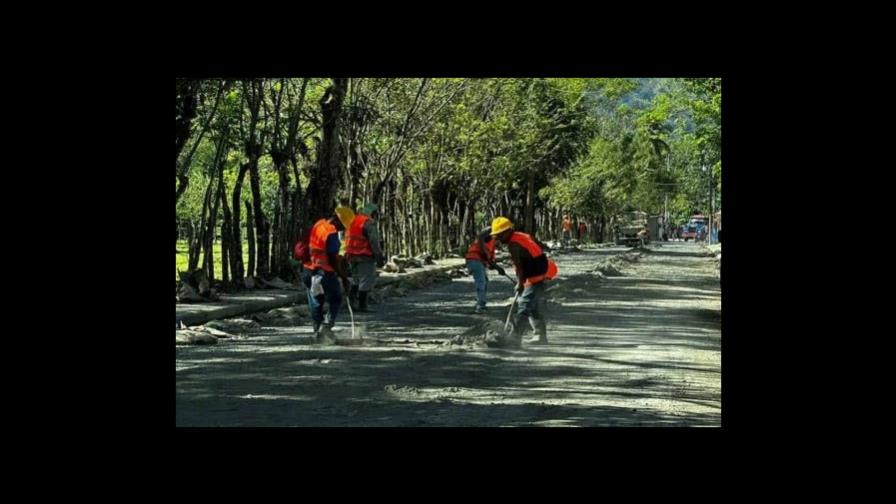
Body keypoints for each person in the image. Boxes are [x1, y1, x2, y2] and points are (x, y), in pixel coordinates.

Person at [491, 217, 557, 347]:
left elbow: (520, 266)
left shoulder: (514, 244)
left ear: (507, 231)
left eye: (499, 235)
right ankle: (540, 335)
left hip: (536, 276)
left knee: (524, 306)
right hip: (540, 273)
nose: (498, 239)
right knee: (532, 307)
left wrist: (520, 283)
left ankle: (514, 338)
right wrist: (521, 282)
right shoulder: (521, 236)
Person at [302, 206, 354, 344]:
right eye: (343, 226)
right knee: (336, 298)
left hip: (309, 270)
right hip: (323, 273)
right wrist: (344, 277)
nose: (342, 230)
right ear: (338, 221)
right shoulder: (331, 232)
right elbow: (331, 258)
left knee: (316, 301)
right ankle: (326, 326)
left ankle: (317, 331)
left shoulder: (319, 224)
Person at [345, 202, 385, 312]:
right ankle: (362, 306)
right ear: (372, 213)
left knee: (356, 280)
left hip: (351, 255)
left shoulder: (353, 221)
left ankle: (351, 303)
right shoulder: (368, 223)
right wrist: (379, 257)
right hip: (364, 255)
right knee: (366, 280)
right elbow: (374, 242)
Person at [465, 225, 506, 314]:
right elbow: (480, 237)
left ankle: (482, 303)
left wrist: (498, 269)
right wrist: (484, 253)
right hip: (474, 259)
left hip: (479, 261)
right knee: (481, 281)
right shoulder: (490, 234)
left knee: (484, 281)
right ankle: (480, 306)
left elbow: (491, 262)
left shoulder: (492, 247)